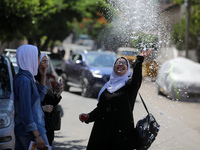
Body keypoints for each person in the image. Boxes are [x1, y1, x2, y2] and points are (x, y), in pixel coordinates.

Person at [79, 49, 152, 150]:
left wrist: (139, 60)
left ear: (127, 69)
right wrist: (89, 116)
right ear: (114, 66)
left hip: (120, 134)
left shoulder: (129, 86)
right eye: (118, 62)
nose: (121, 64)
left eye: (124, 63)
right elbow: (101, 108)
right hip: (101, 131)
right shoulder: (107, 87)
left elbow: (137, 79)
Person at [13, 45, 49, 150]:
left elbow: (38, 100)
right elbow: (26, 112)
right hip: (30, 132)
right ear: (30, 58)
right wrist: (37, 135)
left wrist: (43, 76)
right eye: (38, 58)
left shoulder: (28, 78)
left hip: (34, 130)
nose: (39, 62)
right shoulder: (24, 80)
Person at [35, 53, 63, 146]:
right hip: (38, 126)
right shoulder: (31, 79)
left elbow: (51, 102)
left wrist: (58, 93)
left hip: (48, 126)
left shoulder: (46, 79)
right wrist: (42, 108)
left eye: (47, 62)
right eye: (43, 61)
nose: (45, 64)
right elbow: (30, 104)